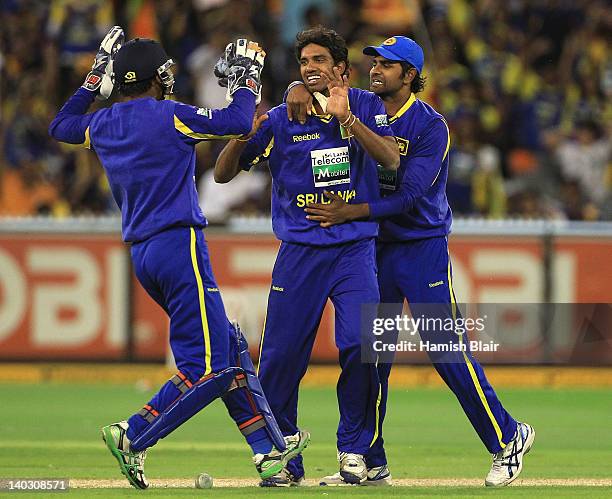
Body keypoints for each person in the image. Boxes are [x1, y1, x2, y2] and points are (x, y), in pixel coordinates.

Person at [49, 28, 309, 489]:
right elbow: (236, 122)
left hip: (145, 254)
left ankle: (271, 454)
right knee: (206, 366)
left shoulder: (104, 123)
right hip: (178, 245)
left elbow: (60, 125)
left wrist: (93, 80)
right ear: (154, 79)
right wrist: (247, 79)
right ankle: (134, 433)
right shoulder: (169, 115)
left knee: (227, 349)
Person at [288, 35, 535, 487]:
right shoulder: (360, 106)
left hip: (421, 250)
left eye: (388, 64)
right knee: (371, 357)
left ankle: (509, 436)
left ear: (410, 74)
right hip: (376, 249)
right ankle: (368, 456)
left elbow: (409, 196)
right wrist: (297, 88)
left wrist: (351, 211)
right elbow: (313, 93)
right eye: (374, 62)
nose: (376, 69)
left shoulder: (430, 126)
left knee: (446, 352)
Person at [214, 26, 400, 486]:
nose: (311, 68)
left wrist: (347, 120)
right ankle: (284, 457)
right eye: (304, 63)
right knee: (279, 359)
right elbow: (221, 176)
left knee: (361, 344)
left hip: (354, 250)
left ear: (342, 69)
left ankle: (354, 450)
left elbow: (391, 159)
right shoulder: (281, 118)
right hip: (299, 254)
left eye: (320, 60)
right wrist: (244, 133)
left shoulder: (366, 105)